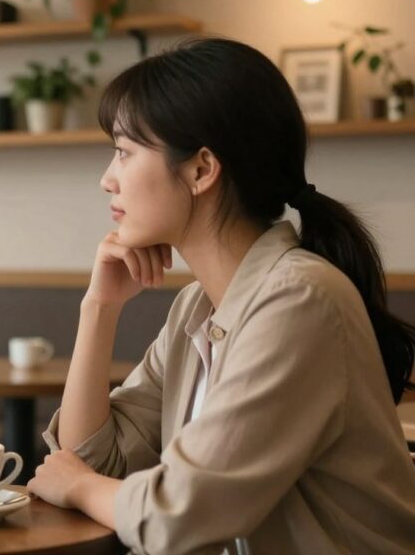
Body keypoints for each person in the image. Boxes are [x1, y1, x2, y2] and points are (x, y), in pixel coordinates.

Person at [27, 37, 415, 554]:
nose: (107, 179)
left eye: (124, 151)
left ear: (202, 170)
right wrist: (99, 308)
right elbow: (96, 461)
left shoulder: (299, 300)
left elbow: (178, 514)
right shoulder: (197, 306)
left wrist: (79, 487)